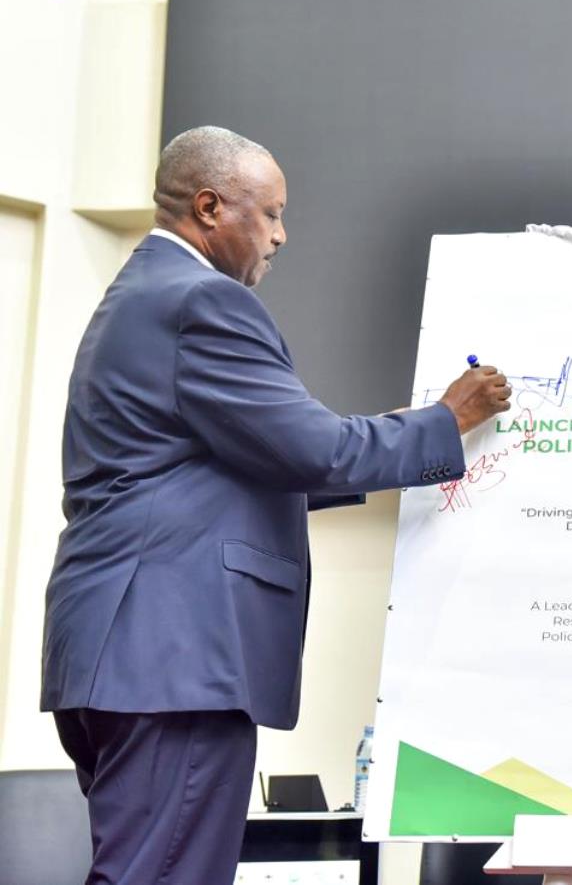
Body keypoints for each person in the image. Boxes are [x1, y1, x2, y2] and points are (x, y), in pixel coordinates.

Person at [41, 126, 511, 885]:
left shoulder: (140, 296)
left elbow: (254, 462)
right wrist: (447, 421)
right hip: (175, 656)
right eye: (272, 214)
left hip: (122, 654)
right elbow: (314, 449)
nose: (282, 235)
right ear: (210, 208)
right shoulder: (204, 302)